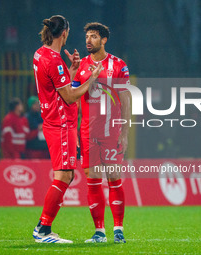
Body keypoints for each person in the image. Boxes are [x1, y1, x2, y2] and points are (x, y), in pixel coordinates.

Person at [32, 15, 102, 243]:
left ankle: (44, 227)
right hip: (61, 123)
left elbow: (56, 88)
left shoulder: (41, 54)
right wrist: (91, 79)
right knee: (63, 175)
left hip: (56, 120)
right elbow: (70, 97)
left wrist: (71, 71)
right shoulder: (52, 59)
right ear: (65, 33)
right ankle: (43, 229)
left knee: (68, 174)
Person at [72, 22, 131, 243]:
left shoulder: (118, 65)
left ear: (104, 40)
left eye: (94, 36)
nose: (88, 40)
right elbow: (73, 97)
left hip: (112, 132)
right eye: (87, 36)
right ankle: (100, 232)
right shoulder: (81, 66)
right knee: (93, 180)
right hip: (88, 133)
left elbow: (125, 98)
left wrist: (125, 133)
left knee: (114, 178)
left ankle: (118, 230)